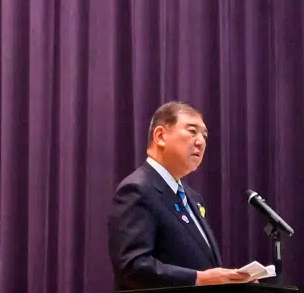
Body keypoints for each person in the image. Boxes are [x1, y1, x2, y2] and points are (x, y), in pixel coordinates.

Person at [108, 101, 253, 288]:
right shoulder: (137, 190)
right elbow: (132, 266)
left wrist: (230, 280)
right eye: (192, 131)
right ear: (160, 136)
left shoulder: (192, 197)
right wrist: (197, 279)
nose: (201, 141)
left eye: (204, 135)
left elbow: (202, 265)